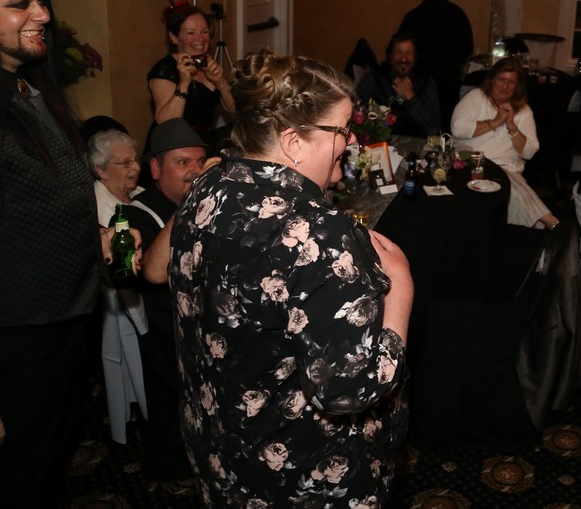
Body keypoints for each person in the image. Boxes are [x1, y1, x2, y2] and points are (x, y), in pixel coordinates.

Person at [166, 51, 413, 506]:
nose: (352, 141)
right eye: (341, 130)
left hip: (219, 447)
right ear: (294, 142)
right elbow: (347, 389)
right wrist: (400, 289)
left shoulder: (205, 185)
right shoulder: (321, 233)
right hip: (302, 472)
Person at [0, 0, 138, 504]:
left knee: (47, 464)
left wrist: (96, 237)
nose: (42, 15)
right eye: (20, 4)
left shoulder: (28, 89)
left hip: (64, 321)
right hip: (17, 336)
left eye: (42, 0)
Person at [119, 118, 208, 494]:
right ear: (155, 169)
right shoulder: (133, 213)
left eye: (200, 162)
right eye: (183, 162)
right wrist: (192, 202)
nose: (195, 171)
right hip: (165, 336)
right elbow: (150, 274)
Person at [87, 129, 149, 447]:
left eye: (136, 160)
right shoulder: (95, 208)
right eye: (125, 163)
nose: (135, 167)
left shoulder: (140, 194)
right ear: (100, 170)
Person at [451, 57, 558, 229]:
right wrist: (495, 122)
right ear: (492, 79)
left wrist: (512, 126)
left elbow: (530, 152)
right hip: (475, 167)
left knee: (508, 184)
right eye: (501, 79)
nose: (505, 86)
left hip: (510, 172)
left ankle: (543, 228)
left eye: (511, 82)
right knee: (507, 184)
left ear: (517, 86)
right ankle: (551, 222)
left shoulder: (523, 111)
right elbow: (458, 128)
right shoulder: (476, 97)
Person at [147, 1, 235, 151]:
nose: (200, 39)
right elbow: (166, 123)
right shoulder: (164, 70)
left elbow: (234, 109)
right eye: (190, 33)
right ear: (173, 37)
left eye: (204, 31)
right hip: (175, 148)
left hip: (206, 144)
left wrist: (221, 83)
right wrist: (184, 83)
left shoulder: (207, 64)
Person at [398, 0, 474, 125]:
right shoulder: (457, 14)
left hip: (420, 84)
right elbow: (468, 47)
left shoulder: (414, 16)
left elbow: (398, 50)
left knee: (421, 124)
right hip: (449, 83)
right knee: (447, 125)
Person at [355, 31, 440, 137]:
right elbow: (355, 113)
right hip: (380, 143)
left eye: (409, 53)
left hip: (417, 143)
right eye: (399, 53)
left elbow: (434, 126)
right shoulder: (374, 77)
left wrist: (411, 98)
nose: (403, 59)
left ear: (415, 57)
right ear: (391, 55)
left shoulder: (426, 81)